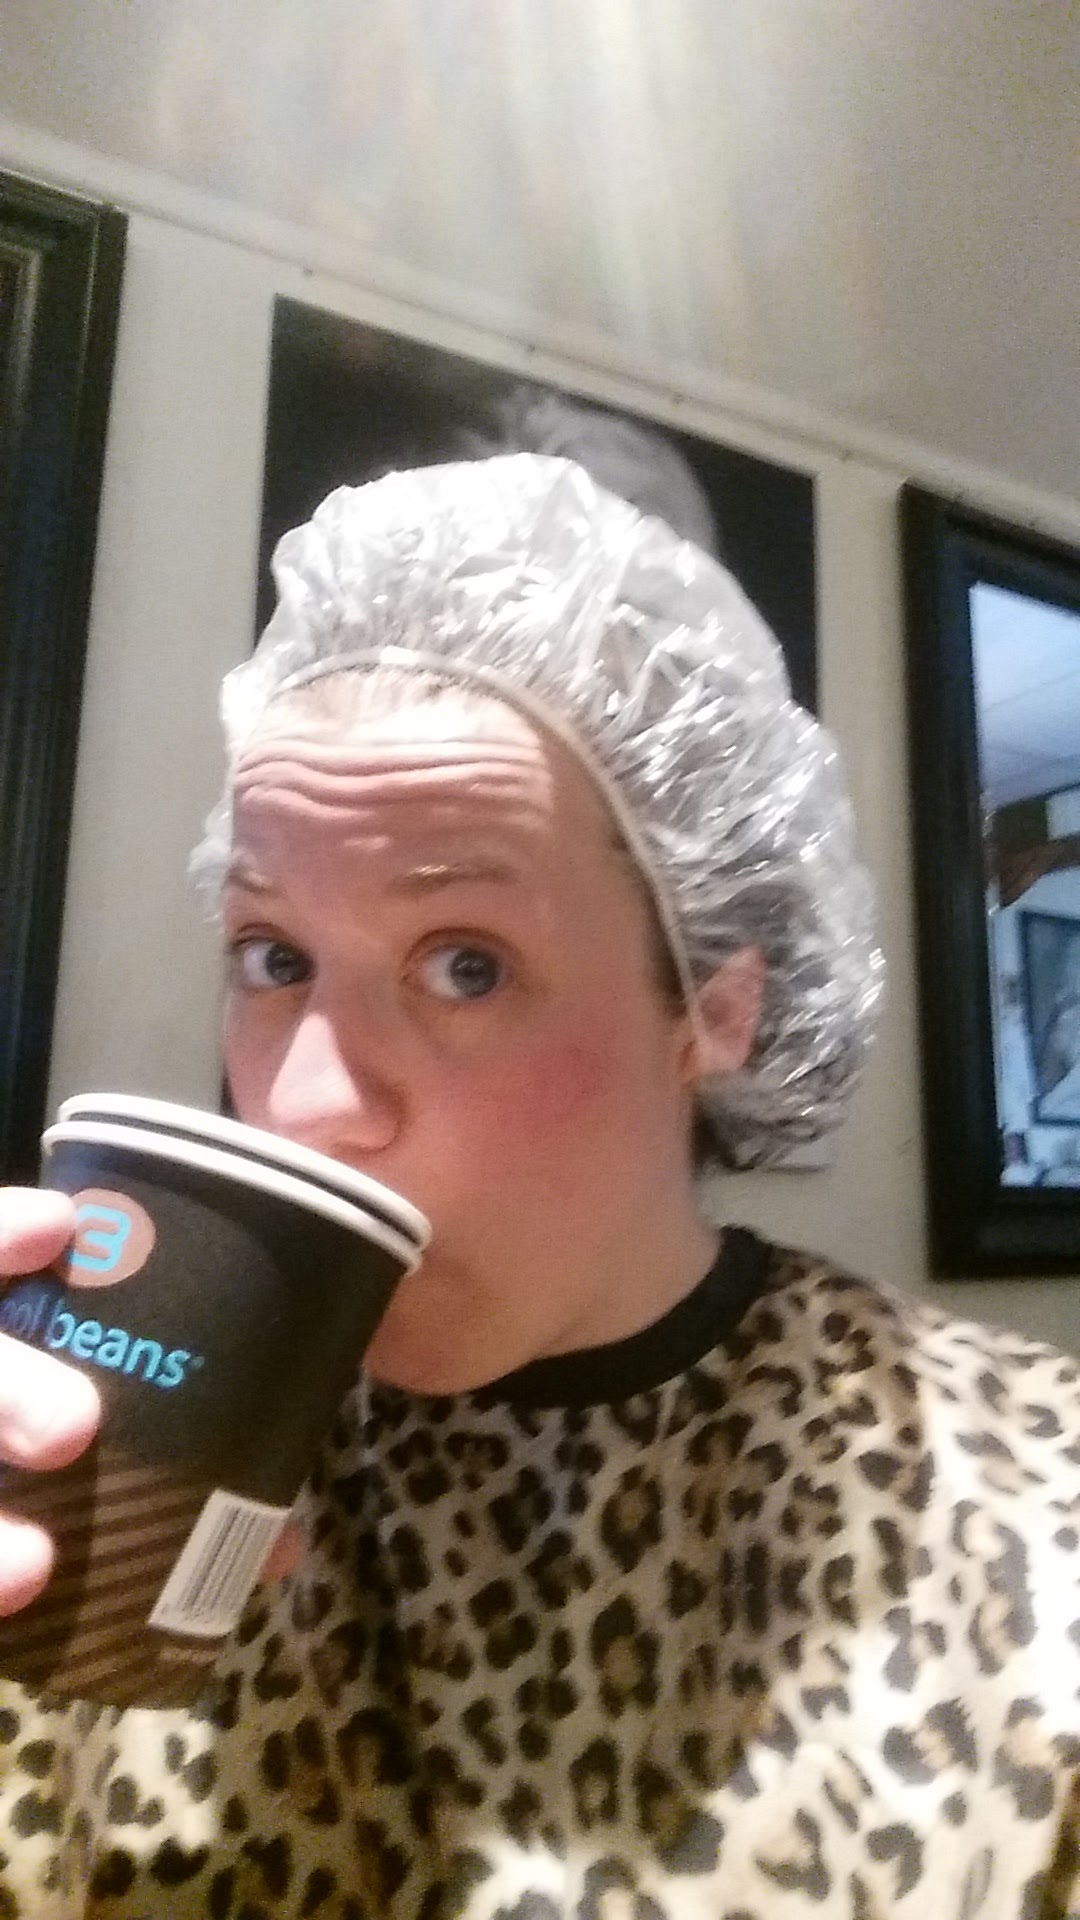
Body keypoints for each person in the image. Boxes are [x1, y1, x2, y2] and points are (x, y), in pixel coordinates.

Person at [0, 455, 1079, 1920]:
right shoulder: (127, 1438)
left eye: (467, 964)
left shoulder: (1030, 1516)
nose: (306, 1103)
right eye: (273, 954)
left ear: (716, 1012)